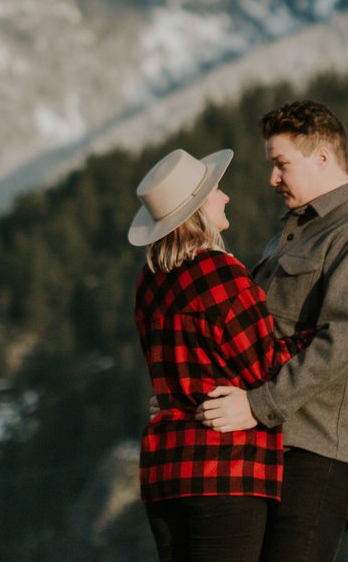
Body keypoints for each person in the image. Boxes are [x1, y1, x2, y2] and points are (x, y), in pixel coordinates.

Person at [195, 100, 348, 562]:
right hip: (275, 445)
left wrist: (258, 406)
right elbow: (255, 341)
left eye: (281, 164)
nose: (272, 179)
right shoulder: (291, 237)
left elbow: (347, 341)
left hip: (323, 453)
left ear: (322, 157)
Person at [130, 147, 314, 562]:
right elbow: (265, 367)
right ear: (196, 209)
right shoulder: (221, 273)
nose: (225, 196)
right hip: (223, 467)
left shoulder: (148, 282)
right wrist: (316, 336)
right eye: (215, 190)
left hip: (164, 470)